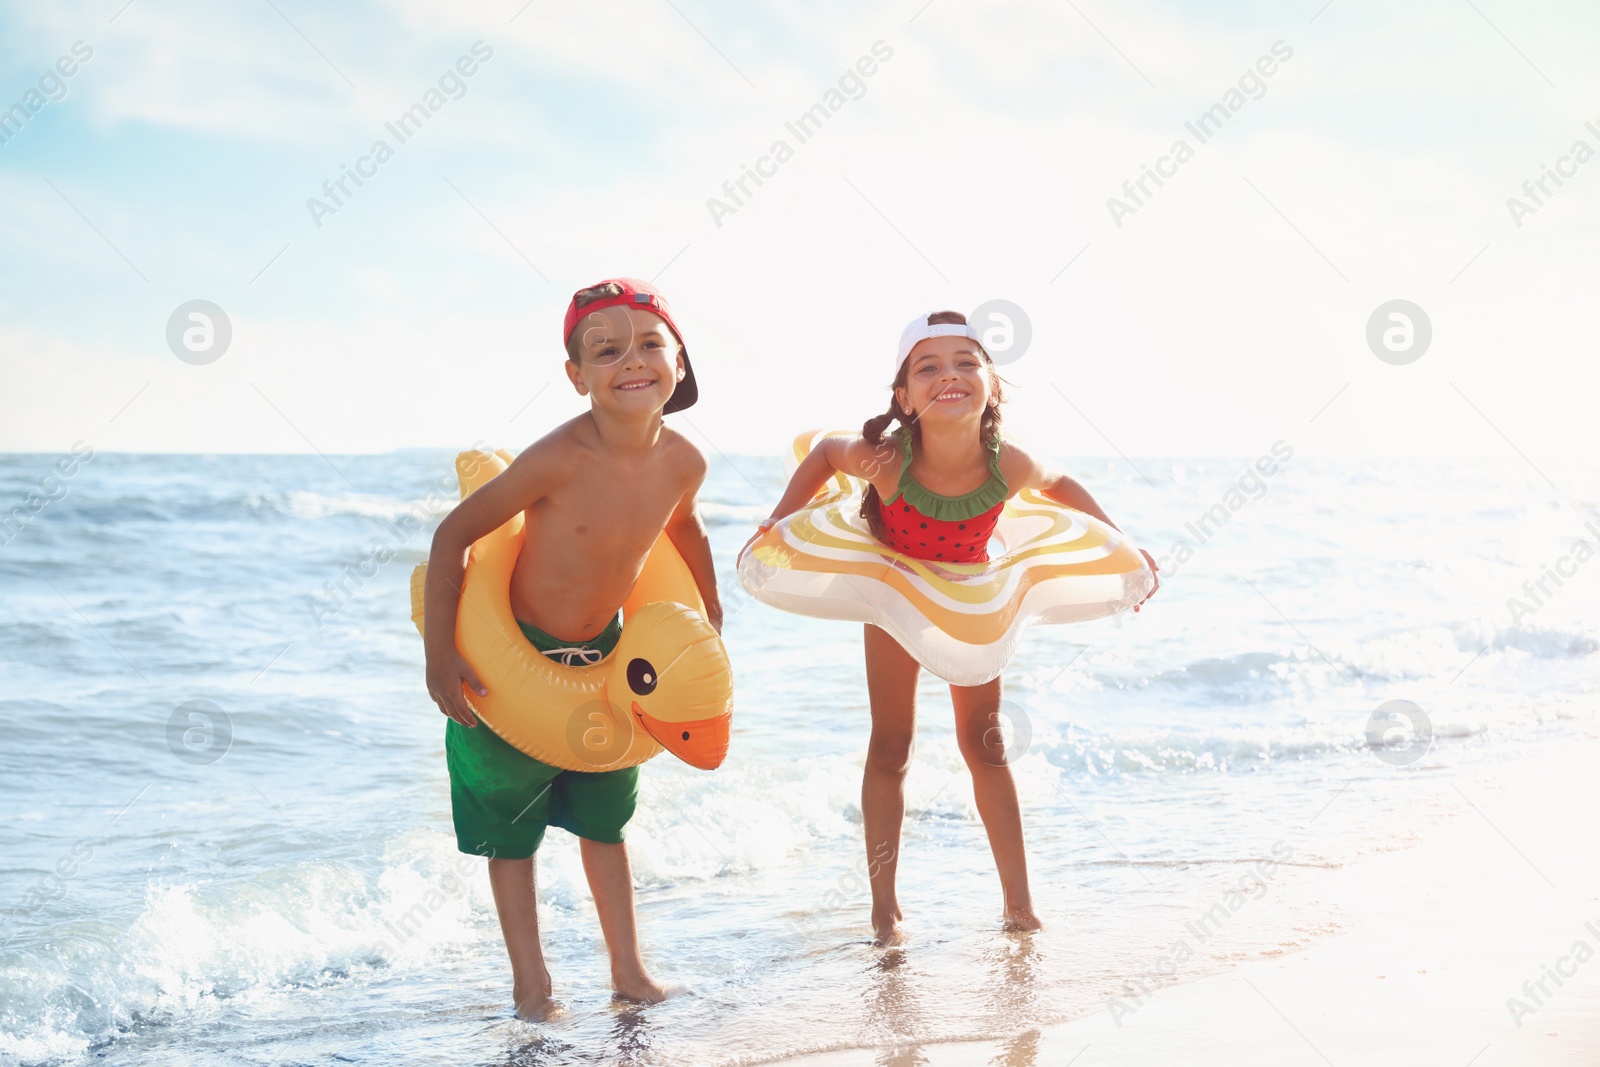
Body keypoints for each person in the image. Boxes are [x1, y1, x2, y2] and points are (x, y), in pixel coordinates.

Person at [756, 310, 1158, 945]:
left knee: (986, 745)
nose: (950, 375)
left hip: (970, 595)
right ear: (904, 397)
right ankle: (885, 911)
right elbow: (830, 450)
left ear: (991, 384)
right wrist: (778, 519)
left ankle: (1019, 906)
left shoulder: (1009, 464)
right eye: (928, 366)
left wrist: (1122, 545)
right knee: (891, 746)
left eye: (966, 362)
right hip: (895, 589)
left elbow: (1062, 483)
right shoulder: (886, 462)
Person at [422, 278, 721, 1017]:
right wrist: (439, 654)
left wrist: (708, 611)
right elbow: (453, 535)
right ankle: (533, 986)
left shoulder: (684, 460)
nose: (632, 360)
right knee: (511, 832)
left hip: (606, 655)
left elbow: (684, 527)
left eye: (650, 343)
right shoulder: (558, 457)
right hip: (510, 658)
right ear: (577, 376)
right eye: (607, 349)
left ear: (679, 360)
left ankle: (629, 971)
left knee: (604, 820)